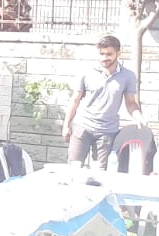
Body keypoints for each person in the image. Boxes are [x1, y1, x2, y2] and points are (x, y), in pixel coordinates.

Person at [63, 34, 146, 169]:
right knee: (73, 168)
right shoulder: (86, 72)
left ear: (118, 53)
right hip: (82, 127)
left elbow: (131, 103)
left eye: (109, 54)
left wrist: (139, 117)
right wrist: (66, 125)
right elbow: (75, 99)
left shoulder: (128, 76)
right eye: (101, 54)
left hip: (107, 131)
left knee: (100, 172)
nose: (104, 58)